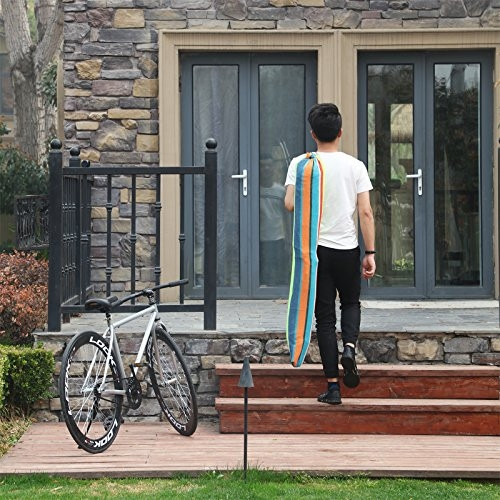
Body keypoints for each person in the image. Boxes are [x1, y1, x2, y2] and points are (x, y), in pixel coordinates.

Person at [284, 103, 376, 405]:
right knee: (350, 302)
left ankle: (333, 387)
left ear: (313, 134)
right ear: (340, 132)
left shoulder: (302, 164)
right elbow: (365, 212)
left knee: (324, 317)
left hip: (316, 252)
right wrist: (370, 252)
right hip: (347, 249)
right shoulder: (355, 166)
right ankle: (349, 348)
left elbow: (289, 204)